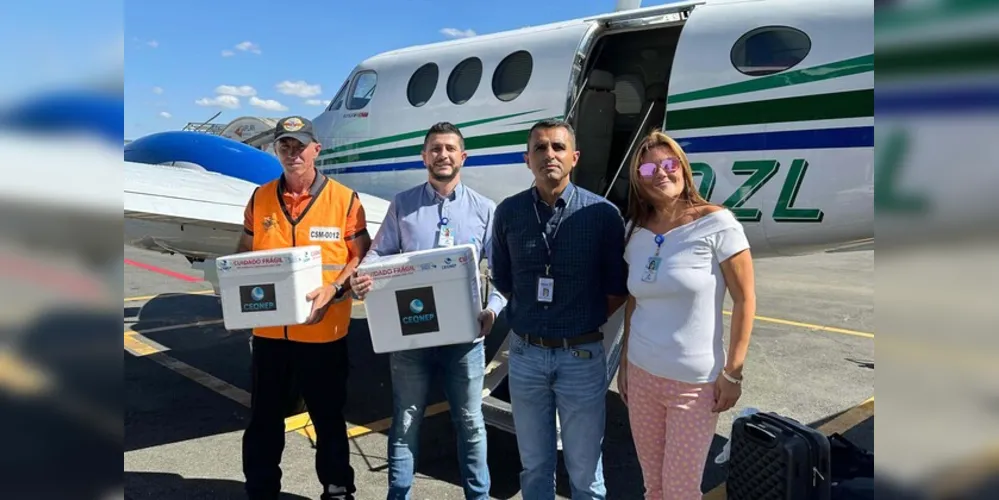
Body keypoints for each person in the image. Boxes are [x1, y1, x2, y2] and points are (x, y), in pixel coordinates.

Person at [349, 122, 507, 500]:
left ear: (462, 157)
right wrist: (363, 276)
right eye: (435, 148)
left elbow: (503, 276)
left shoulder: (485, 210)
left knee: (470, 423)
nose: (443, 155)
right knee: (405, 421)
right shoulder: (403, 204)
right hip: (412, 333)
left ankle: (478, 496)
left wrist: (493, 311)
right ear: (424, 157)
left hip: (465, 338)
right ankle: (398, 494)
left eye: (451, 148)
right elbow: (376, 254)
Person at [490, 119, 629, 500]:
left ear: (574, 157)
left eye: (557, 147)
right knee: (534, 466)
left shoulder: (602, 215)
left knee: (585, 471)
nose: (548, 155)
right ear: (527, 159)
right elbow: (503, 279)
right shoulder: (509, 213)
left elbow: (617, 287)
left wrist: (578, 319)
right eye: (540, 148)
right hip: (525, 356)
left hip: (581, 356)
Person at [616, 130, 756, 500]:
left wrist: (733, 373)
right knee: (654, 488)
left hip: (692, 385)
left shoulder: (718, 224)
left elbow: (745, 300)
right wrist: (625, 365)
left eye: (669, 163)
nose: (661, 173)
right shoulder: (637, 232)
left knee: (681, 490)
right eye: (649, 168)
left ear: (682, 167)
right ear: (638, 179)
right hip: (643, 375)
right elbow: (635, 302)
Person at [237, 115, 370, 500]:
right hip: (269, 334)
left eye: (300, 145)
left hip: (323, 333)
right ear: (276, 150)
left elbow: (360, 256)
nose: (293, 153)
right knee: (264, 420)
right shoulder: (260, 198)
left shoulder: (345, 200)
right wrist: (235, 290)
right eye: (285, 146)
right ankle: (261, 490)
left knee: (328, 419)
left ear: (317, 149)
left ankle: (337, 488)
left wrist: (334, 288)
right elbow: (244, 253)